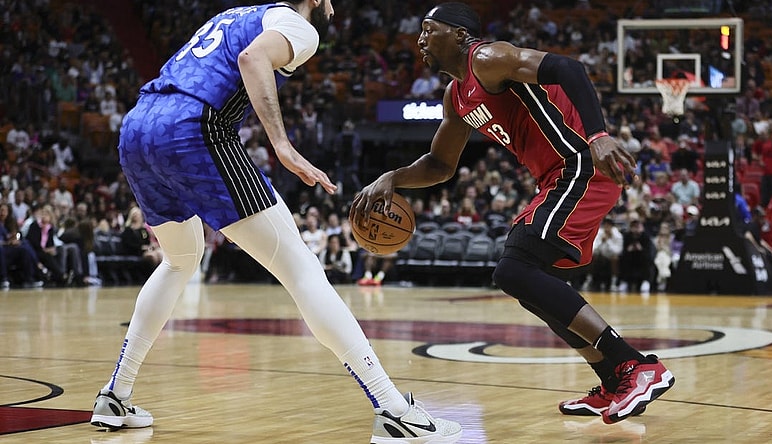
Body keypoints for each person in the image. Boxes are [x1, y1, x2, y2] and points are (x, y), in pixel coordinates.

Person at [89, 3, 462, 443]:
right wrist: (282, 146)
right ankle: (394, 411)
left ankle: (116, 395)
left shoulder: (234, 14)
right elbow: (252, 58)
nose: (334, 7)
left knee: (178, 261)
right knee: (303, 270)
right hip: (192, 128)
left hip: (138, 124)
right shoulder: (298, 25)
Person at [350, 2, 674, 425]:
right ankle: (612, 379)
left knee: (514, 269)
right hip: (557, 178)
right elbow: (440, 164)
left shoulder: (487, 58)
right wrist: (393, 177)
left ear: (460, 35)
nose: (421, 40)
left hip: (581, 165)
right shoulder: (456, 96)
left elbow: (570, 68)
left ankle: (634, 366)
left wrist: (597, 135)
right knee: (535, 286)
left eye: (430, 30)